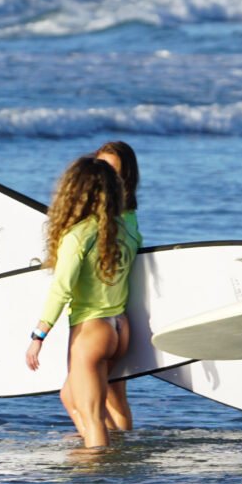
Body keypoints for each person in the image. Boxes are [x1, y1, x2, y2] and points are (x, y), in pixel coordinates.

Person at [25, 156, 142, 449]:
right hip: (120, 329)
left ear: (74, 192)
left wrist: (39, 335)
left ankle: (97, 467)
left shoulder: (78, 236)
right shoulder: (126, 230)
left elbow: (61, 289)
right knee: (70, 396)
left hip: (91, 331)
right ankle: (106, 452)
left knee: (92, 417)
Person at [94, 141, 139, 434]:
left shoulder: (104, 218)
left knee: (77, 398)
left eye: (113, 170)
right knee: (114, 395)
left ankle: (101, 448)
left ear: (125, 177)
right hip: (120, 320)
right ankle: (122, 446)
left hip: (97, 320)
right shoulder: (130, 217)